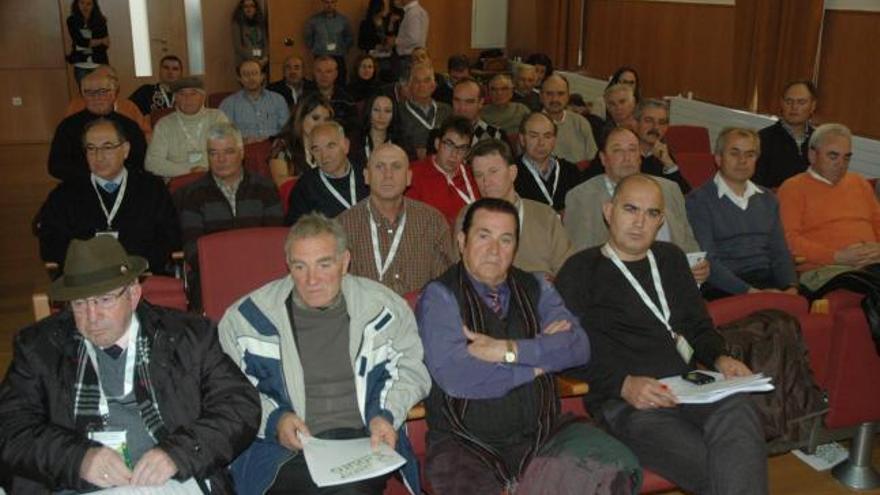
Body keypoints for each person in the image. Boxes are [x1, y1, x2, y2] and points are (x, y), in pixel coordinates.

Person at [555, 174, 768, 495]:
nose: (640, 222)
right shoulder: (580, 270)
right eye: (630, 209)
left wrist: (720, 357)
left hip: (687, 387)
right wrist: (623, 384)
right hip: (627, 402)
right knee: (723, 464)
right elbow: (563, 350)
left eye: (652, 213)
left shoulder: (670, 259)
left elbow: (698, 326)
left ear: (661, 220)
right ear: (608, 210)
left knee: (739, 410)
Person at [0, 235, 261, 493]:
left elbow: (239, 406)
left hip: (171, 482)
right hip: (76, 486)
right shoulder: (40, 347)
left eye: (104, 299)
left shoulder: (188, 337)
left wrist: (178, 453)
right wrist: (78, 459)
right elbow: (10, 427)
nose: (93, 316)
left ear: (134, 294)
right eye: (79, 303)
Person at [417, 197, 641, 494]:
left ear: (515, 248)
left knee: (615, 467)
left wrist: (508, 350)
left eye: (505, 239)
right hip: (465, 441)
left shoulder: (537, 287)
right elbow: (458, 376)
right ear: (462, 241)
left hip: (545, 431)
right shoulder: (440, 296)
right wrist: (537, 364)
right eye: (483, 236)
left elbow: (578, 346)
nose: (494, 250)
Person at [218, 213, 431, 494]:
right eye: (300, 266)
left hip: (363, 438)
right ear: (288, 266)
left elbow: (411, 370)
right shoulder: (246, 320)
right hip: (280, 447)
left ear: (345, 262)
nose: (312, 280)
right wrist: (275, 420)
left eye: (324, 264)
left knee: (349, 489)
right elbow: (230, 390)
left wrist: (385, 414)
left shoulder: (383, 309)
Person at [563, 127, 709, 284]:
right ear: (603, 158)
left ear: (640, 156)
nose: (627, 157)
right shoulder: (582, 197)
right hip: (618, 283)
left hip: (674, 279)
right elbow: (581, 260)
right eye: (618, 151)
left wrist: (699, 266)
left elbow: (687, 241)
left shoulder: (669, 189)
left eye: (632, 150)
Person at [38, 118, 181, 275]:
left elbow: (170, 235)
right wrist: (87, 266)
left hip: (141, 275)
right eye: (91, 149)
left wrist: (137, 265)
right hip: (86, 281)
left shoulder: (152, 188)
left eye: (107, 147)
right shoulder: (65, 193)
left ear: (125, 150)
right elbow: (51, 239)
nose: (99, 157)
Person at [686, 127, 797, 299]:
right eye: (734, 153)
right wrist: (751, 293)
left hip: (767, 280)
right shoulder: (699, 200)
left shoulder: (768, 199)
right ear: (718, 158)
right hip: (726, 286)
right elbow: (709, 262)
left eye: (750, 154)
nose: (742, 160)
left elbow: (780, 252)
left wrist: (790, 287)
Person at [338, 143, 454, 296]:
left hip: (420, 316)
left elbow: (446, 288)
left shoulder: (433, 223)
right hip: (364, 317)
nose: (388, 175)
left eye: (396, 167)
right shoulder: (342, 227)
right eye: (380, 167)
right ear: (366, 176)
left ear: (408, 177)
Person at [178, 122, 283, 272]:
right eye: (213, 153)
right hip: (213, 272)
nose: (221, 160)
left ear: (242, 153)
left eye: (228, 152)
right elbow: (192, 247)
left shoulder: (265, 188)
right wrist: (223, 268)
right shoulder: (193, 194)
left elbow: (274, 239)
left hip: (259, 269)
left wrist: (251, 266)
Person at [778, 123, 880, 272]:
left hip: (871, 263)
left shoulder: (859, 182)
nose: (841, 164)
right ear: (812, 155)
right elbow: (788, 240)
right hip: (827, 268)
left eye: (846, 158)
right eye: (833, 156)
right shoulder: (793, 188)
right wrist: (836, 256)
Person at [462, 139, 573, 275]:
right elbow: (461, 274)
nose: (486, 181)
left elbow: (569, 271)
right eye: (479, 175)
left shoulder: (544, 215)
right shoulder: (467, 217)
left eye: (493, 171)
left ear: (512, 173)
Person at [50, 70, 148, 182]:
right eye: (89, 92)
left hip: (122, 183)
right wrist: (96, 177)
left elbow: (140, 161)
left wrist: (114, 177)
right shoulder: (68, 126)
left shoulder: (129, 126)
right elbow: (55, 166)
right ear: (82, 95)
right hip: (81, 184)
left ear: (114, 93)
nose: (96, 97)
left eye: (102, 91)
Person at [145, 76, 230, 179]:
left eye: (193, 93)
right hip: (178, 182)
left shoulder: (217, 117)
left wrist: (206, 171)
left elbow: (228, 152)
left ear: (203, 97)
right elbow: (152, 163)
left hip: (214, 178)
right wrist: (188, 171)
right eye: (182, 94)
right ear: (175, 98)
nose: (187, 98)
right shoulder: (164, 124)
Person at [285, 122, 369, 225]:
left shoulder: (367, 175)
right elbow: (295, 229)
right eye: (316, 150)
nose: (324, 156)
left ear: (345, 145)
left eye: (330, 146)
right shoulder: (305, 187)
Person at [407, 116, 478, 225]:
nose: (454, 154)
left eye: (462, 148)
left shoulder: (474, 174)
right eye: (449, 145)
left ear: (467, 152)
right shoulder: (413, 173)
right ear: (437, 144)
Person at [514, 112, 587, 212]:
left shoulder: (571, 171)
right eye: (534, 136)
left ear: (554, 140)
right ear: (522, 139)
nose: (541, 143)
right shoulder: (511, 173)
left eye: (547, 136)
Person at [754, 81, 818, 189]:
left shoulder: (820, 141)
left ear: (812, 106)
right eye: (789, 101)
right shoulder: (763, 139)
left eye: (801, 102)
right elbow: (754, 185)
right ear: (781, 104)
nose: (794, 107)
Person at [63, 65, 152, 140]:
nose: (97, 97)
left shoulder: (128, 106)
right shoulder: (76, 106)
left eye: (103, 90)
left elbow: (146, 134)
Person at [269, 94, 333, 186]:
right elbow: (280, 182)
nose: (321, 125)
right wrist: (317, 179)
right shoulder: (282, 144)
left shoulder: (329, 144)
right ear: (300, 117)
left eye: (326, 120)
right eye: (315, 118)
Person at [220, 59, 290, 143]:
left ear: (262, 77)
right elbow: (223, 134)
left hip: (273, 149)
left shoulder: (278, 100)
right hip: (244, 150)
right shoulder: (228, 103)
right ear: (239, 79)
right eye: (246, 74)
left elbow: (287, 130)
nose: (251, 78)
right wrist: (243, 141)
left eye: (255, 73)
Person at [632, 98, 691, 194]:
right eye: (649, 120)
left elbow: (685, 195)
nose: (655, 127)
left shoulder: (664, 155)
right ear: (635, 123)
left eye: (662, 122)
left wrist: (668, 163)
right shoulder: (620, 150)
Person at [540, 73, 598, 164]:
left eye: (561, 94)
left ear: (568, 96)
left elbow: (593, 159)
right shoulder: (532, 125)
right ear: (541, 96)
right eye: (549, 94)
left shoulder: (580, 122)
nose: (555, 99)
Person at [398, 63, 452, 160]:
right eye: (416, 81)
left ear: (434, 85)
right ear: (409, 85)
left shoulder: (446, 110)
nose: (422, 85)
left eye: (427, 80)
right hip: (410, 165)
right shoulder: (398, 111)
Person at [348, 93, 411, 167]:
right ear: (368, 111)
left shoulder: (403, 143)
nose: (381, 116)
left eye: (387, 111)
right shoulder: (353, 142)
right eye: (376, 110)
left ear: (394, 115)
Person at [304, 0, 354, 84]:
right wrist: (314, 47)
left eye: (332, 2)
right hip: (320, 55)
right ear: (323, 3)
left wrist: (344, 48)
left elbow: (349, 37)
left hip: (338, 56)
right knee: (319, 83)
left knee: (340, 83)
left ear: (335, 3)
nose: (329, 5)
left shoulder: (343, 20)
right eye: (327, 2)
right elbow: (308, 37)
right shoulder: (314, 20)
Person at [307, 55, 359, 134]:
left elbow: (353, 127)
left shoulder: (346, 100)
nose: (323, 75)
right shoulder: (305, 99)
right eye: (319, 71)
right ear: (313, 73)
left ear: (335, 74)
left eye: (328, 71)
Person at [452, 78, 506, 145]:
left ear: (481, 103)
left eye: (469, 102)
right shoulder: (442, 133)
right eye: (457, 100)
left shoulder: (495, 136)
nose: (462, 108)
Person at [65, 0, 110, 82]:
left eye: (88, 4)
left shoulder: (101, 21)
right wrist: (100, 41)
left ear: (94, 6)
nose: (84, 6)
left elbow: (105, 45)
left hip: (100, 64)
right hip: (81, 65)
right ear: (76, 4)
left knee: (102, 92)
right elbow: (80, 41)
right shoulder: (71, 20)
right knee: (86, 93)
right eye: (82, 3)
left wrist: (87, 45)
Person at [391, 0, 429, 79]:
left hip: (408, 58)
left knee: (406, 86)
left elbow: (413, 38)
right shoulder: (419, 11)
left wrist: (395, 41)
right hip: (414, 56)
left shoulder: (413, 13)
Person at [231, 0, 268, 67]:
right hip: (245, 63)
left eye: (252, 6)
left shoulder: (260, 22)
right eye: (246, 6)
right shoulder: (237, 23)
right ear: (241, 9)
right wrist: (256, 60)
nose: (249, 9)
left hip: (261, 62)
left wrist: (265, 57)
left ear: (256, 8)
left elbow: (265, 43)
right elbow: (238, 47)